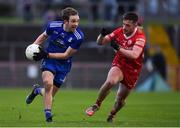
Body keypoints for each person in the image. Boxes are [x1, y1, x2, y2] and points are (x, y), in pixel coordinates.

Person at [25, 7, 84, 122]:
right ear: (65, 21)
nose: (76, 24)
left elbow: (66, 55)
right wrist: (32, 48)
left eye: (77, 21)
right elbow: (43, 36)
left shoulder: (78, 36)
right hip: (50, 62)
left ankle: (37, 91)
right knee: (48, 83)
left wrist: (46, 54)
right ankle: (48, 116)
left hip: (64, 64)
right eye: (73, 21)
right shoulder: (53, 26)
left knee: (50, 93)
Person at [85, 12, 146, 122]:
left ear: (135, 25)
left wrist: (118, 48)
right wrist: (102, 35)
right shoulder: (119, 31)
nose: (124, 27)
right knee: (110, 82)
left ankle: (112, 114)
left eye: (128, 25)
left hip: (133, 70)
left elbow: (134, 55)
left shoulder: (140, 37)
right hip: (120, 63)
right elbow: (100, 42)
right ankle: (96, 104)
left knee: (120, 100)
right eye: (123, 24)